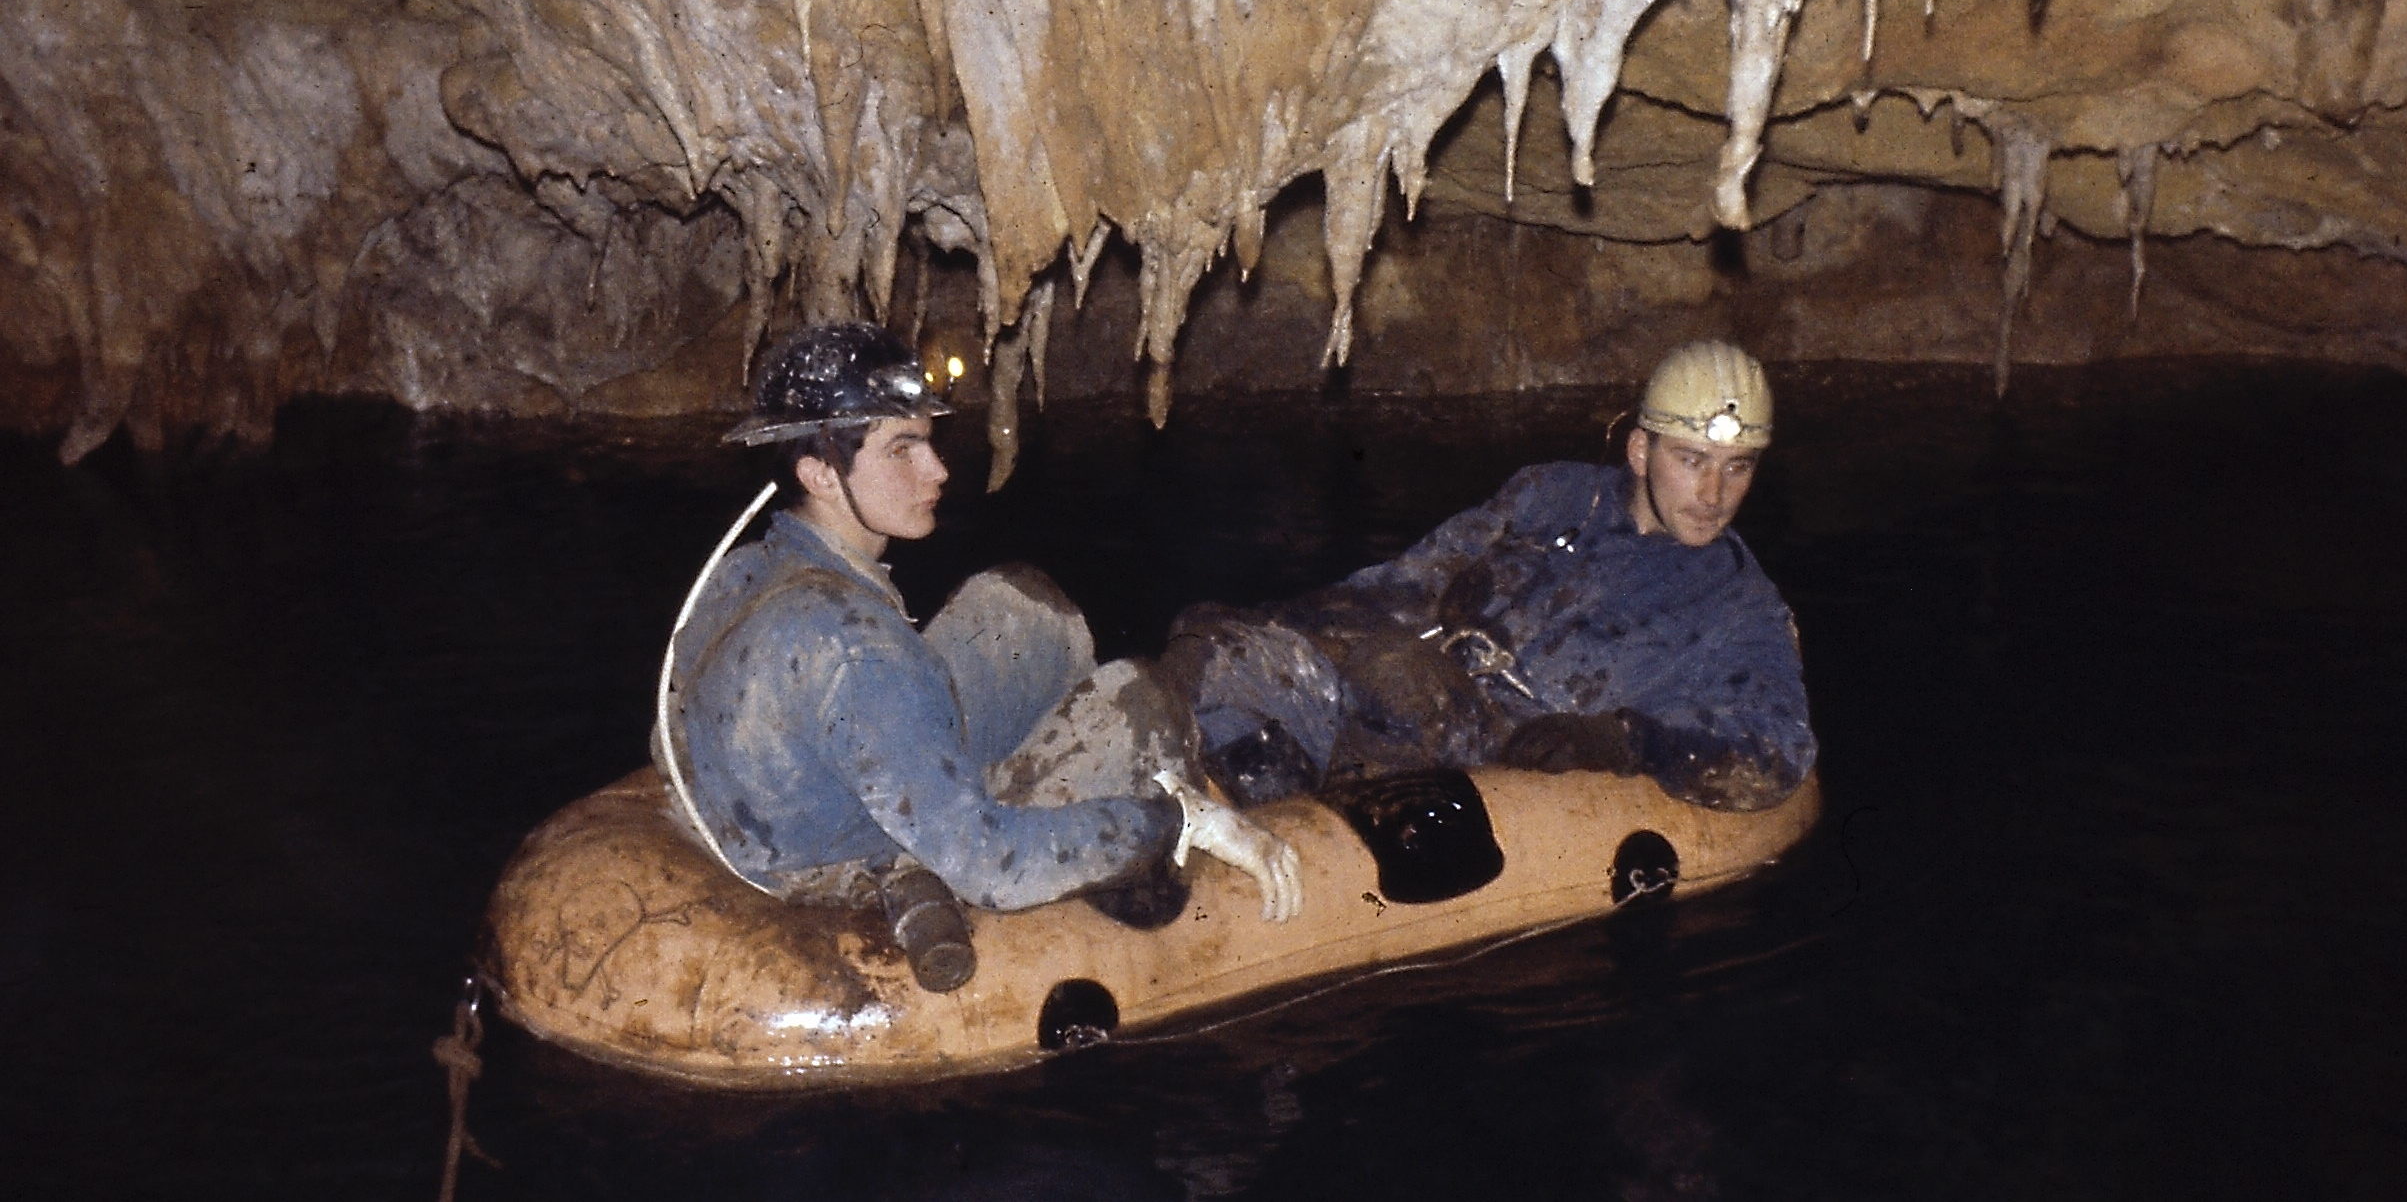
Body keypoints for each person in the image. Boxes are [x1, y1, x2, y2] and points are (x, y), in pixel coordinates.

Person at [655, 322, 1299, 991]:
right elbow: (991, 866)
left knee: (1023, 604)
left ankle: (1054, 749)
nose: (938, 470)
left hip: (808, 783)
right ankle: (1185, 812)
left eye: (927, 443)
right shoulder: (857, 649)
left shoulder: (742, 571)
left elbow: (671, 733)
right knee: (1140, 697)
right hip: (845, 846)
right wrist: (1179, 819)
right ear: (819, 472)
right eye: (902, 450)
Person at [1166, 340, 1816, 812]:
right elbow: (1411, 581)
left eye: (1738, 467)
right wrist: (1283, 624)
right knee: (1216, 631)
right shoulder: (1555, 495)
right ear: (1642, 451)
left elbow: (1778, 745)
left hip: (1506, 750)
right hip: (1408, 685)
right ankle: (1191, 771)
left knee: (1397, 676)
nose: (1713, 492)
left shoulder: (1738, 603)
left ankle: (1260, 792)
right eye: (1693, 460)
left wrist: (1621, 740)